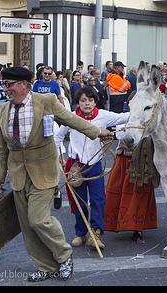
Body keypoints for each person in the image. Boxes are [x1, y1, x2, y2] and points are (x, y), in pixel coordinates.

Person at [0, 66, 113, 282]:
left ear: (23, 85)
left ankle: (64, 255)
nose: (5, 89)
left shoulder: (45, 101)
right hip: (18, 174)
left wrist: (98, 132)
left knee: (38, 219)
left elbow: (71, 119)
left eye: (8, 85)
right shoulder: (3, 109)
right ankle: (46, 266)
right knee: (28, 226)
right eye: (4, 85)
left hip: (44, 171)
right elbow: (1, 148)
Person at [54, 87, 129, 251]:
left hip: (95, 164)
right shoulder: (71, 117)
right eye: (82, 100)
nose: (86, 104)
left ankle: (96, 232)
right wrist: (59, 157)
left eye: (90, 100)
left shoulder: (103, 115)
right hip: (75, 167)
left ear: (95, 101)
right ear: (78, 102)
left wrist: (143, 109)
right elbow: (57, 137)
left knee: (98, 199)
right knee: (78, 200)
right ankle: (80, 233)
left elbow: (124, 117)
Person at [104, 123, 158, 242]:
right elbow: (118, 132)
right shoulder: (125, 116)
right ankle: (115, 223)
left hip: (142, 159)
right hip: (124, 158)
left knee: (139, 193)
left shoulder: (148, 115)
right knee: (116, 188)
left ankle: (137, 228)